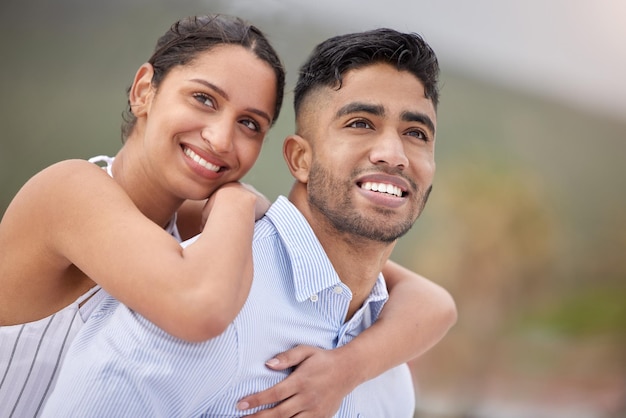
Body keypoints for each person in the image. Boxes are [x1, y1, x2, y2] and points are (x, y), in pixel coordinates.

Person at [0, 15, 454, 418]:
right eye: (203, 98)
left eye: (249, 123)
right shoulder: (70, 190)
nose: (220, 138)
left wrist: (345, 370)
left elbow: (430, 303)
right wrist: (236, 199)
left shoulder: (201, 230)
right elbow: (202, 311)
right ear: (144, 90)